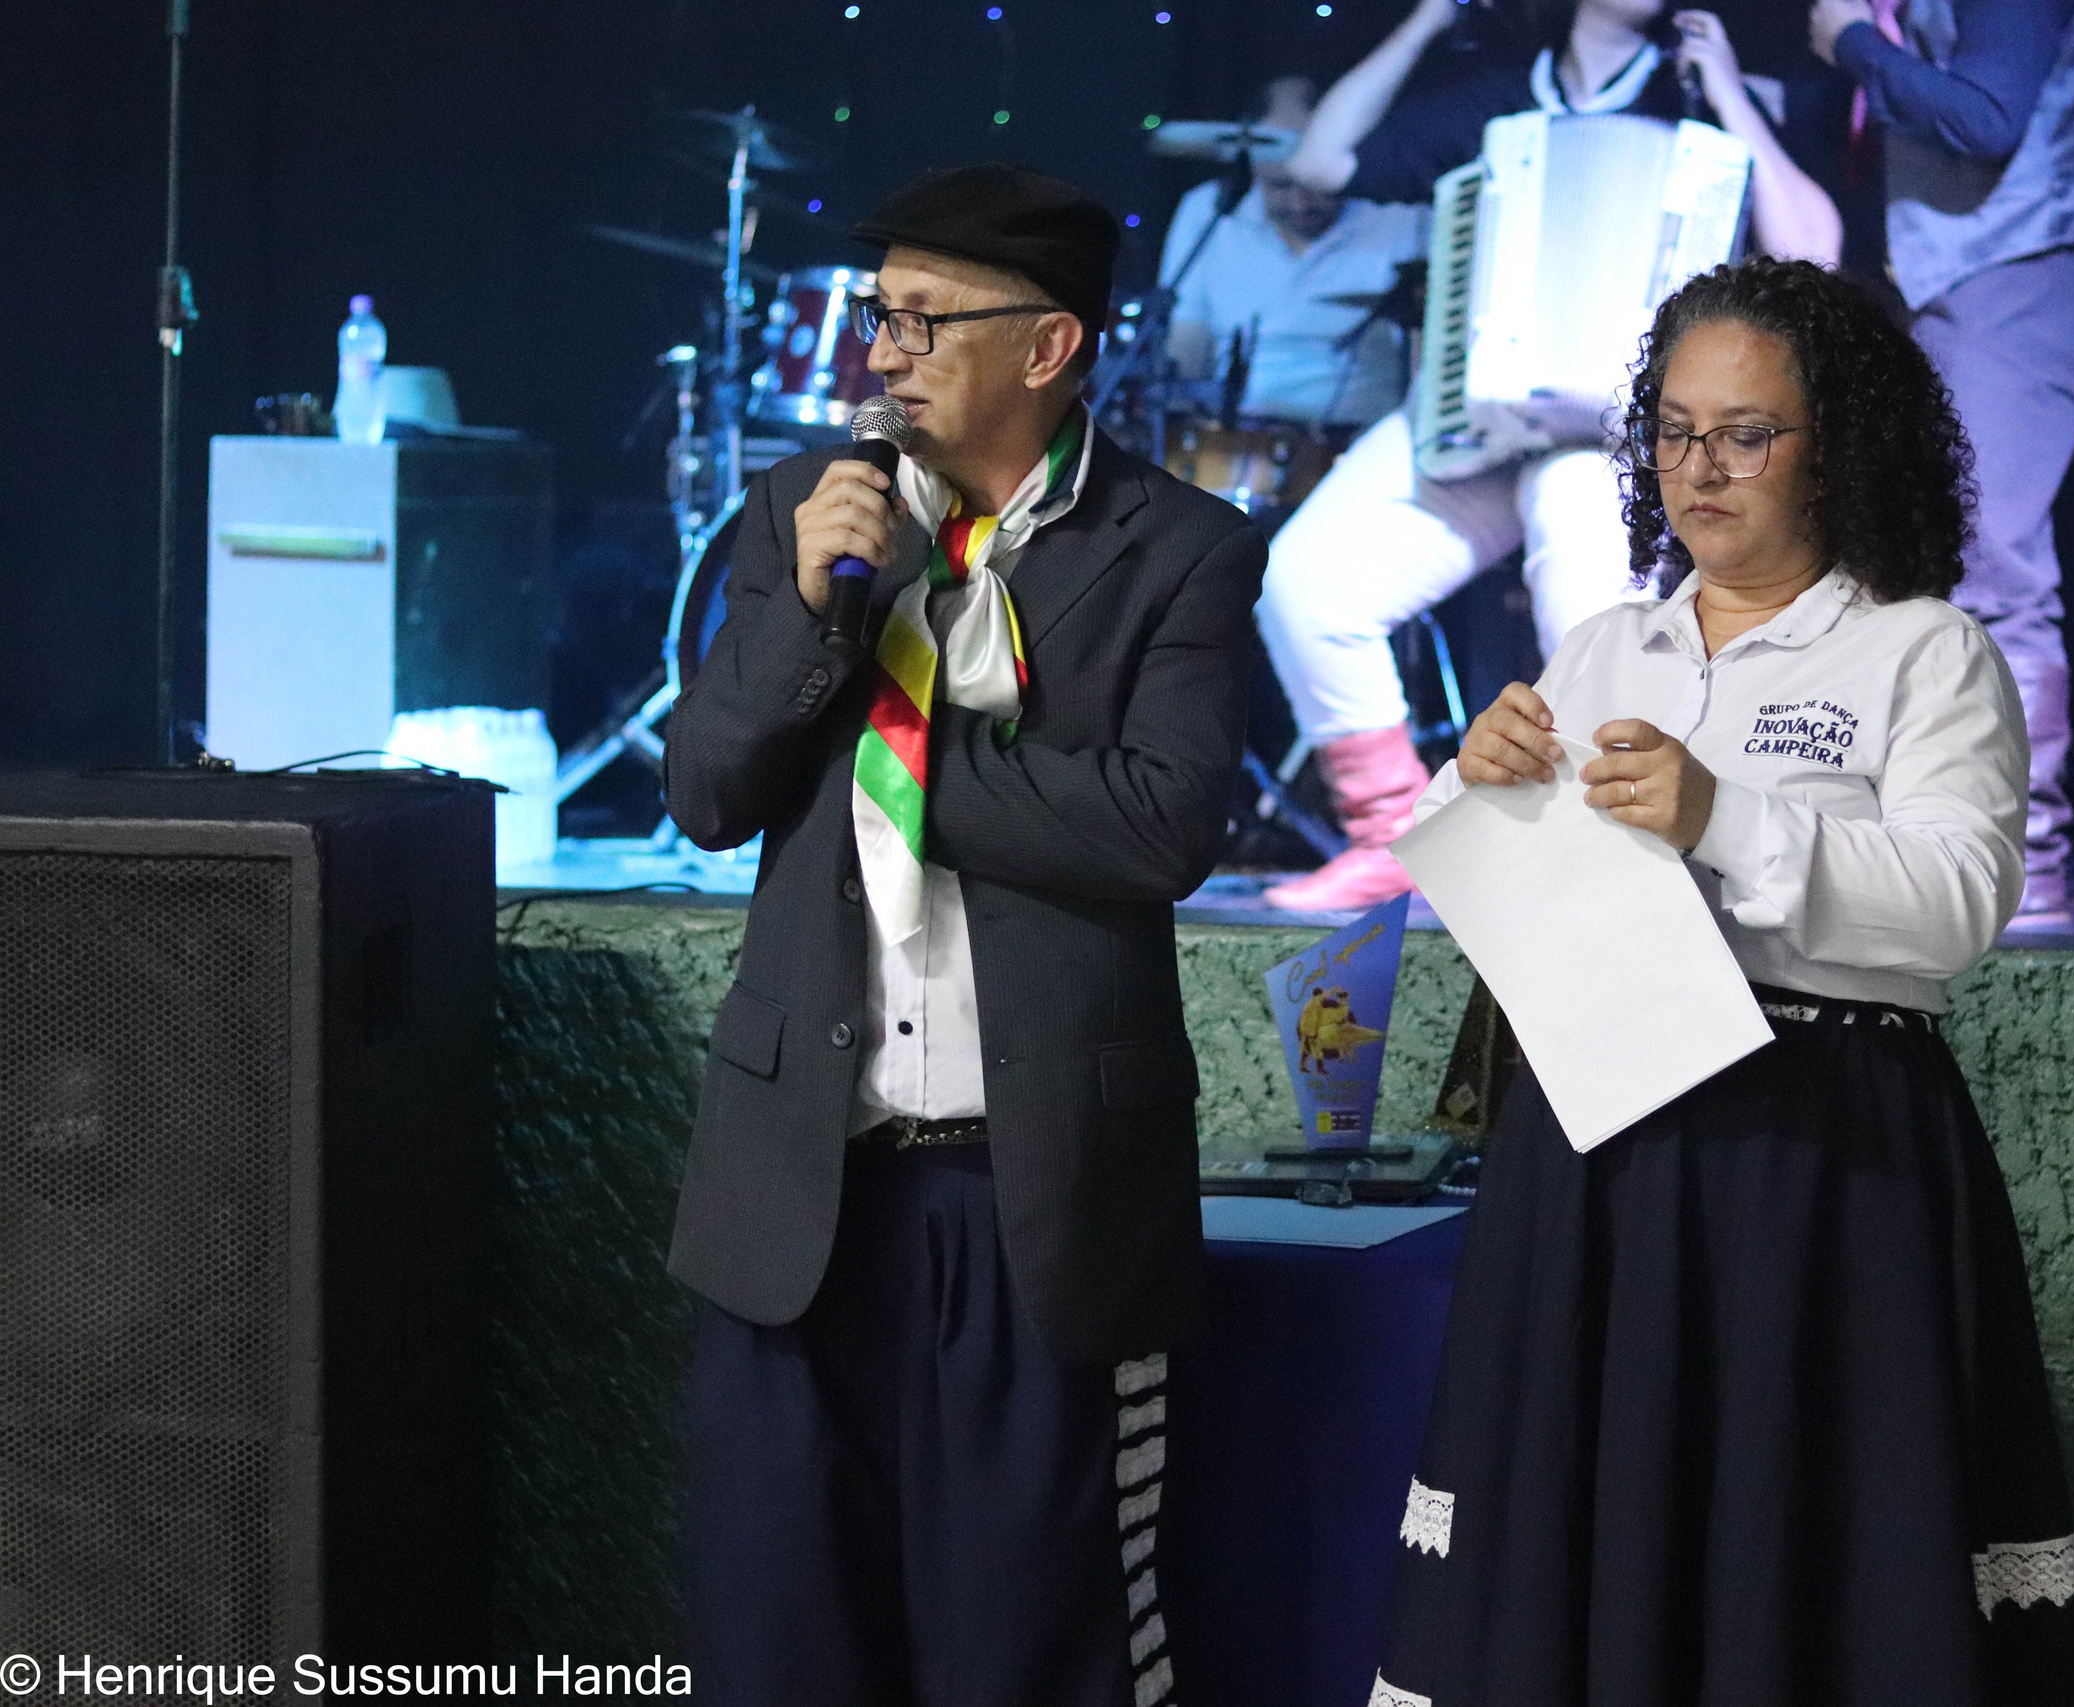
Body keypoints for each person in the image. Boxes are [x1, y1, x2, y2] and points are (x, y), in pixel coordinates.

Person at [1369, 258, 2074, 1706]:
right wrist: (1475, 786)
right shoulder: (1605, 645)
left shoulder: (1922, 649)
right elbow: (1513, 899)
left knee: (1799, 1539)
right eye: (1675, 430)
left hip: (1816, 1157)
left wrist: (1722, 816)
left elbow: (1959, 904)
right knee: (1588, 1530)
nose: (1700, 469)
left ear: (1839, 445)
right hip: (1596, 1152)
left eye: (1746, 434)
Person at [661, 163, 1267, 1707]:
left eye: (924, 321)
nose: (884, 351)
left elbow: (1159, 824)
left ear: (1048, 345)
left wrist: (897, 746)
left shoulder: (1180, 546)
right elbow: (708, 790)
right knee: (782, 1645)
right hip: (806, 1187)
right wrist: (813, 617)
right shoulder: (803, 511)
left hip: (1039, 1195)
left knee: (1032, 1650)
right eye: (881, 315)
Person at [1259, 0, 1844, 913]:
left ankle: (1609, 857)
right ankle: (1390, 834)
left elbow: (1816, 251)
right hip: (1474, 417)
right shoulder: (1496, 102)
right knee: (1305, 580)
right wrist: (1425, 21)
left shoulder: (1693, 96)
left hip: (1613, 436)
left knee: (1589, 615)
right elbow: (1319, 161)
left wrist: (1729, 91)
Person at [1811, 0, 2074, 924]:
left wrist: (1851, 42)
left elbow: (1988, 118)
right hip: (1945, 280)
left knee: (1992, 567)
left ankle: (2022, 861)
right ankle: (1931, 843)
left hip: (2012, 268)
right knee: (1909, 565)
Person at [1159, 75, 1428, 431]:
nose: (1299, 203)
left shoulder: (1402, 214)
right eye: (1280, 186)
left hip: (1364, 437)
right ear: (1253, 166)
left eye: (1315, 185)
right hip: (1235, 437)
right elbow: (1186, 342)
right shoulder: (1207, 211)